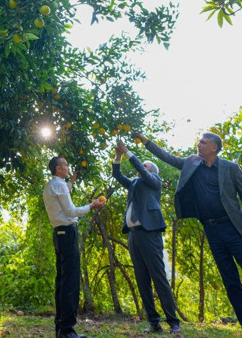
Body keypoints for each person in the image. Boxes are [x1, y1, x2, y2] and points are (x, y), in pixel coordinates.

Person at [134, 131, 242, 338]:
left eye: (203, 142)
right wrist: (145, 141)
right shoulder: (191, 163)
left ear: (214, 148)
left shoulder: (230, 168)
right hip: (212, 232)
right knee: (232, 284)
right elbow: (167, 157)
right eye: (199, 141)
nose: (198, 144)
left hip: (235, 229)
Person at [113, 140, 181, 334]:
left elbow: (142, 171)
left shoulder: (154, 181)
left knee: (158, 277)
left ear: (152, 171)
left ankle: (173, 322)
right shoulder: (134, 184)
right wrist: (118, 156)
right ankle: (154, 322)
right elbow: (117, 175)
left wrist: (128, 152)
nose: (142, 167)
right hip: (133, 236)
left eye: (146, 165)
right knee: (142, 279)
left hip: (150, 233)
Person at [43, 156, 106, 338]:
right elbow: (70, 211)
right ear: (58, 169)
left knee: (62, 281)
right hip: (68, 234)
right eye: (65, 165)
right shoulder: (59, 185)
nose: (68, 167)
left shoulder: (52, 185)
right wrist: (92, 206)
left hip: (59, 234)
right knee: (70, 282)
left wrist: (70, 183)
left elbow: (61, 199)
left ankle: (60, 328)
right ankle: (68, 330)